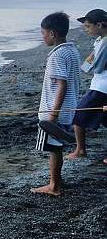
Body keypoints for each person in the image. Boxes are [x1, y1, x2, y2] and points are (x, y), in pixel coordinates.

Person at [32, 12, 81, 196]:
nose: (42, 36)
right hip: (69, 108)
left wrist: (52, 115)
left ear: (52, 33)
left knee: (53, 148)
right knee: (56, 146)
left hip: (55, 111)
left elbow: (62, 84)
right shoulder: (72, 50)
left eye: (43, 32)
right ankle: (57, 180)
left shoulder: (57, 55)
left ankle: (54, 186)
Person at [67, 9, 107, 160]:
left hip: (102, 86)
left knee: (79, 115)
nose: (86, 29)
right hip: (99, 83)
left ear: (100, 25)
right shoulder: (100, 40)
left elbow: (96, 66)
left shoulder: (105, 41)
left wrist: (88, 64)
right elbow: (91, 61)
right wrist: (87, 65)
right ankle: (80, 149)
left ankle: (80, 150)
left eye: (88, 26)